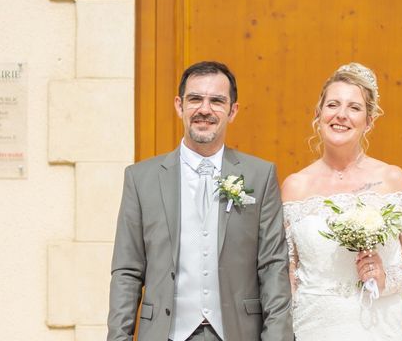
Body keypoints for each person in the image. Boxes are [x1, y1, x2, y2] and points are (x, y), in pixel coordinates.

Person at [108, 61, 293, 341]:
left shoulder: (260, 175)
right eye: (195, 99)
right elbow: (127, 271)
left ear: (232, 111)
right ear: (179, 105)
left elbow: (273, 267)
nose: (204, 109)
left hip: (238, 333)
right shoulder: (140, 178)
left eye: (217, 101)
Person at [281, 62, 402, 340]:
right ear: (318, 113)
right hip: (314, 326)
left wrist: (386, 277)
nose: (341, 115)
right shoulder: (294, 187)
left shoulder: (391, 179)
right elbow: (288, 273)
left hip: (381, 325)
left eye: (354, 108)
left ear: (369, 121)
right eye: (333, 105)